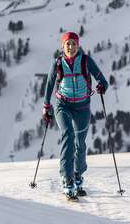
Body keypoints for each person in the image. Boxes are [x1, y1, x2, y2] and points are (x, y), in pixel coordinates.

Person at [42, 31, 108, 200]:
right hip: (63, 105)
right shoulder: (57, 63)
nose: (71, 47)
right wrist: (46, 106)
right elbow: (49, 84)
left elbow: (102, 80)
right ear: (62, 46)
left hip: (82, 106)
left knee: (80, 143)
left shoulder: (86, 61)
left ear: (78, 45)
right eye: (67, 44)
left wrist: (102, 86)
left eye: (74, 44)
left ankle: (78, 175)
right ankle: (67, 177)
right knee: (68, 135)